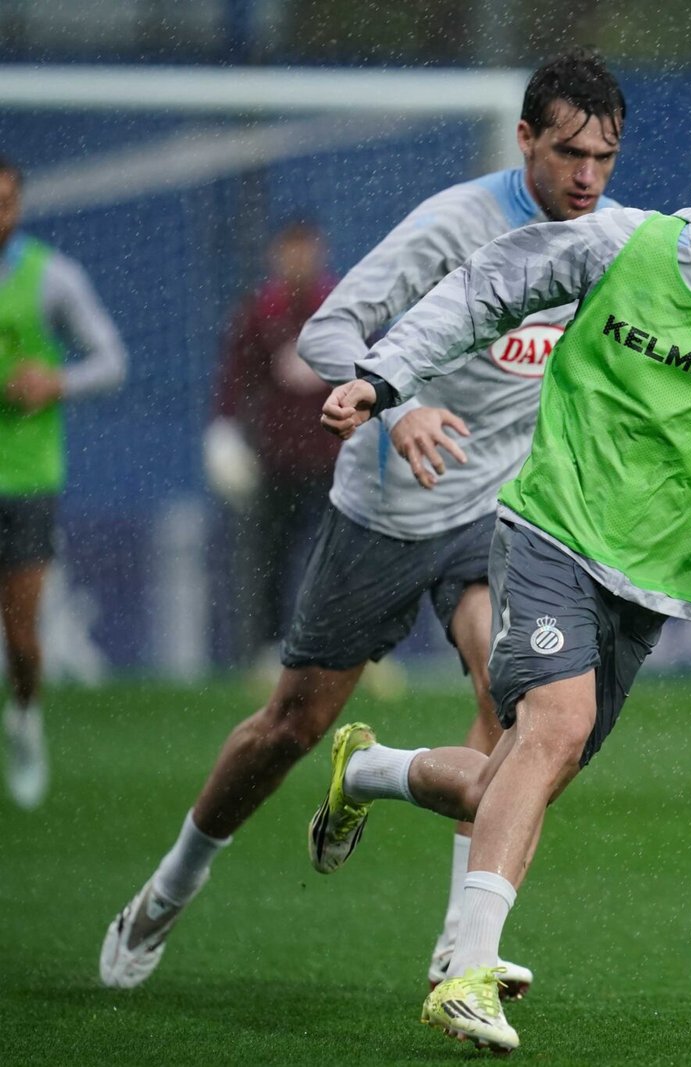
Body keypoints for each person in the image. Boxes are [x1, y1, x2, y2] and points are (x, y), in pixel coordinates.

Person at [310, 110, 691, 1053]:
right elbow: (483, 290)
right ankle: (466, 971)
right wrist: (384, 378)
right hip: (551, 527)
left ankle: (367, 769)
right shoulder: (621, 245)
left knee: (509, 778)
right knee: (557, 725)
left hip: (652, 583)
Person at [99, 49, 628, 995]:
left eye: (605, 158)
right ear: (524, 141)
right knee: (289, 725)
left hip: (500, 510)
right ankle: (172, 884)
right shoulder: (454, 226)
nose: (587, 177)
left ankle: (461, 947)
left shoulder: (607, 238)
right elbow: (328, 335)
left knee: (519, 707)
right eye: (568, 153)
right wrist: (399, 402)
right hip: (387, 509)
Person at [0, 156, 127, 810]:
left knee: (21, 637)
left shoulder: (50, 277)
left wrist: (55, 381)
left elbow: (112, 359)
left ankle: (23, 716)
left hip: (24, 479)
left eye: (7, 202)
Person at [205, 219, 341, 665]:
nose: (299, 260)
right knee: (273, 559)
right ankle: (270, 650)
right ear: (276, 256)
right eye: (290, 251)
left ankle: (346, 648)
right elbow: (234, 379)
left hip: (335, 455)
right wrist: (224, 435)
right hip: (277, 457)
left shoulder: (343, 304)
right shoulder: (259, 312)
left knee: (339, 556)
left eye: (306, 250)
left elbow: (375, 366)